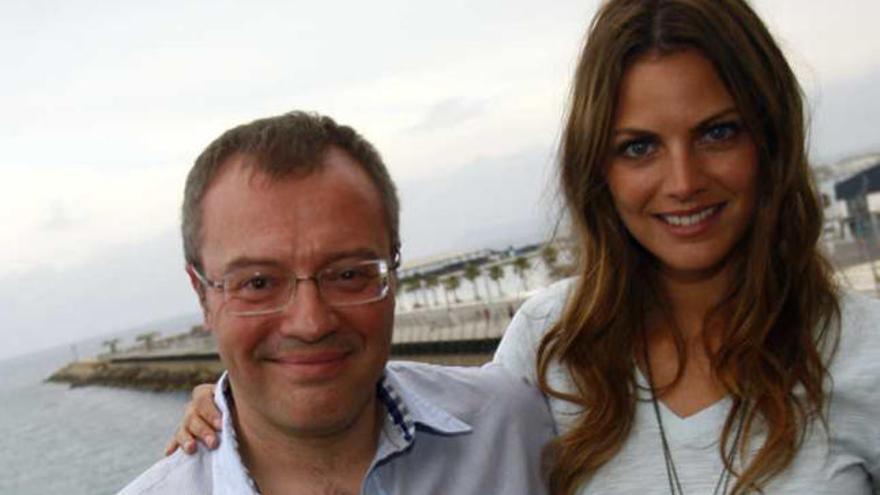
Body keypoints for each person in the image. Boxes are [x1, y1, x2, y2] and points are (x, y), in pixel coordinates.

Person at [170, 1, 880, 493]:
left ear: (772, 138)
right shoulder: (549, 342)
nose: (683, 180)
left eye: (719, 132)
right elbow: (390, 410)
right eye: (638, 147)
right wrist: (236, 406)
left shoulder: (863, 353)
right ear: (597, 168)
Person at [118, 111, 554, 495]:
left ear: (393, 271)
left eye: (348, 274)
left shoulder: (516, 429)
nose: (310, 323)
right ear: (202, 295)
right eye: (258, 283)